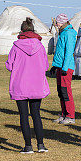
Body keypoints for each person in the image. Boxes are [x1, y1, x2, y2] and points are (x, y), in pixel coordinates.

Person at [6, 18, 50, 154]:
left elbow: (9, 65)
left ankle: (28, 146)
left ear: (22, 30)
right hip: (36, 85)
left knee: (23, 116)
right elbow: (46, 66)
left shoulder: (16, 46)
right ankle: (41, 145)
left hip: (20, 85)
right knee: (36, 114)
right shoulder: (40, 46)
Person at [50, 13, 77, 124]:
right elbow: (60, 52)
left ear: (62, 22)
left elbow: (69, 52)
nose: (56, 24)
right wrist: (55, 66)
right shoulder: (62, 33)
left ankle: (70, 116)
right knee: (61, 91)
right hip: (60, 66)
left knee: (66, 91)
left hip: (66, 67)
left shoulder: (69, 34)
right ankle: (64, 114)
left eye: (57, 22)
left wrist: (65, 68)